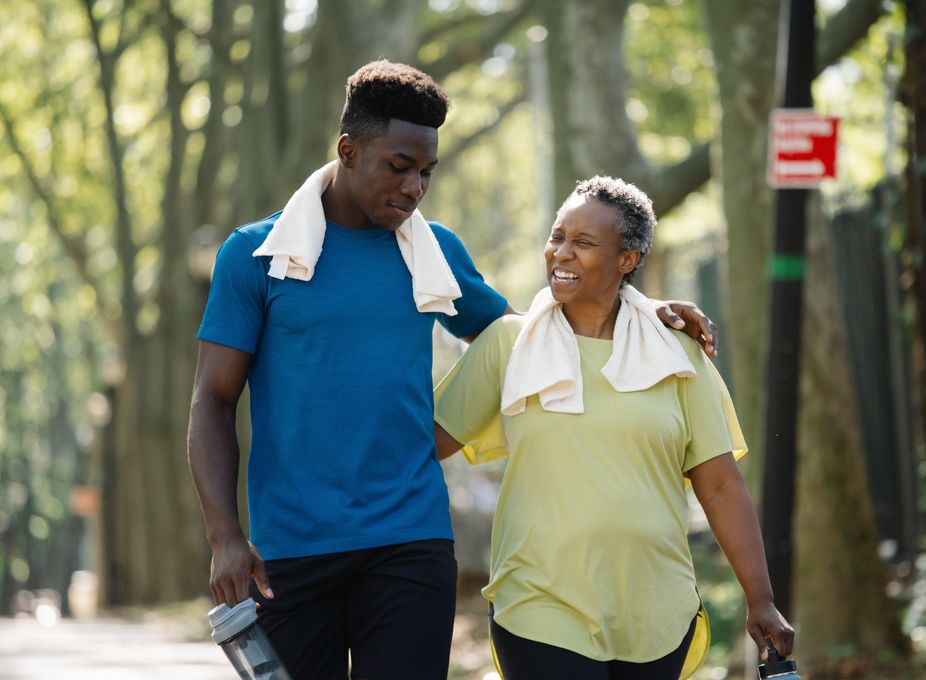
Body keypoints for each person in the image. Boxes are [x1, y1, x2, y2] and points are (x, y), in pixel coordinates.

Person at [188, 61, 719, 680]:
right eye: (399, 166)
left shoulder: (433, 251)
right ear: (348, 150)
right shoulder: (256, 257)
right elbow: (212, 399)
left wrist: (638, 305)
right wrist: (225, 535)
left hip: (410, 540)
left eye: (427, 172)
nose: (415, 187)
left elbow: (538, 333)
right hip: (292, 549)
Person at [434, 176, 795, 680]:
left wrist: (762, 599)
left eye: (582, 243)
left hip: (656, 611)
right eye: (558, 236)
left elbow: (718, 483)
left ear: (627, 259)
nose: (561, 253)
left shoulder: (678, 352)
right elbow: (426, 445)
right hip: (540, 605)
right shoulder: (508, 344)